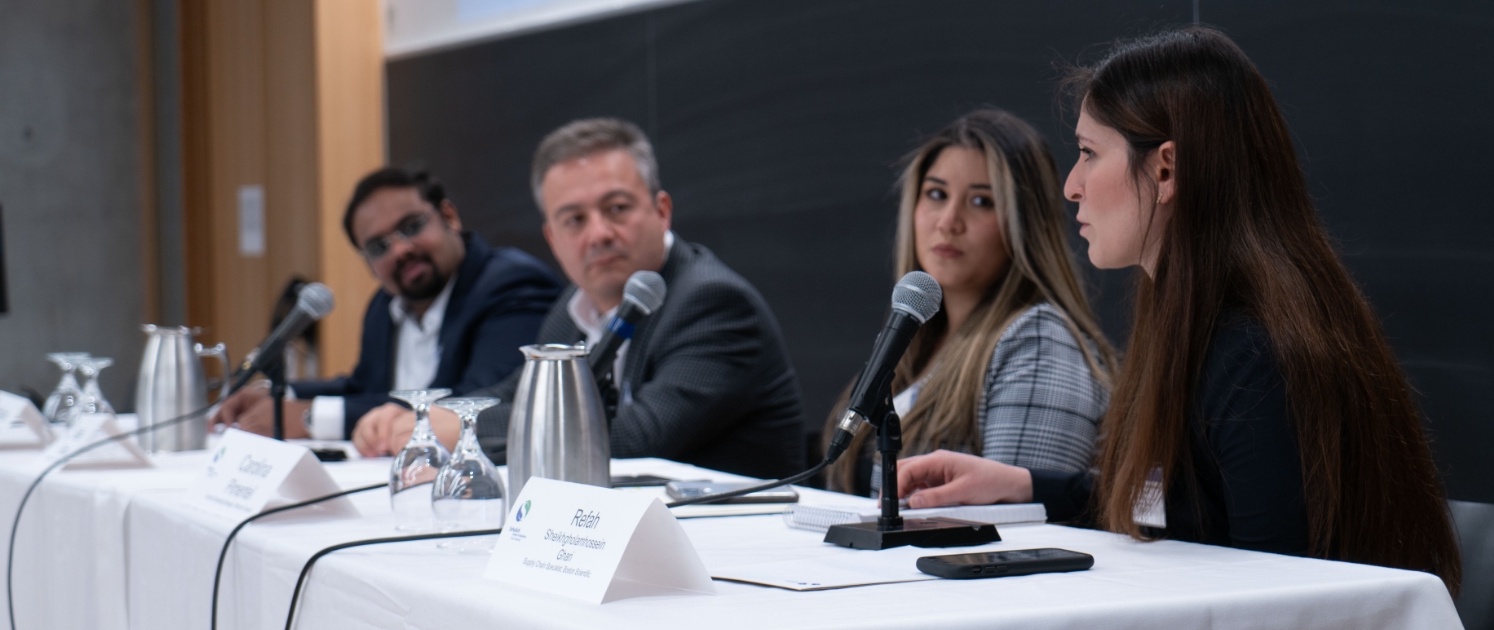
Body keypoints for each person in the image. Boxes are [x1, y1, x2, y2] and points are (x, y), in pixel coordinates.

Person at [896, 27, 1460, 592]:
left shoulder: (1254, 354)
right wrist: (1021, 485)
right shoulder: (1203, 323)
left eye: (1089, 154)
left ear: (1165, 170)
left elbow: (1284, 596)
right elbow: (1180, 507)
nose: (1072, 186)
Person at [353, 119, 807, 479]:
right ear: (552, 238)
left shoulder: (712, 304)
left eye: (617, 209)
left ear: (662, 211)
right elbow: (517, 391)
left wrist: (468, 429)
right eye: (574, 219)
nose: (599, 234)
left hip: (738, 552)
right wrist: (434, 414)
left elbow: (636, 438)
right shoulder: (575, 307)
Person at [826, 109, 1116, 495]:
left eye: (980, 201)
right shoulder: (914, 346)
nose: (948, 221)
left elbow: (1015, 533)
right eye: (936, 194)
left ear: (1024, 224)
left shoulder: (1039, 340)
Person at [211, 167, 561, 439]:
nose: (400, 250)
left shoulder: (511, 286)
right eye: (378, 247)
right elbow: (366, 387)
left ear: (449, 216)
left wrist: (311, 416)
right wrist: (277, 394)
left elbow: (475, 402)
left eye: (411, 227)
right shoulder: (385, 305)